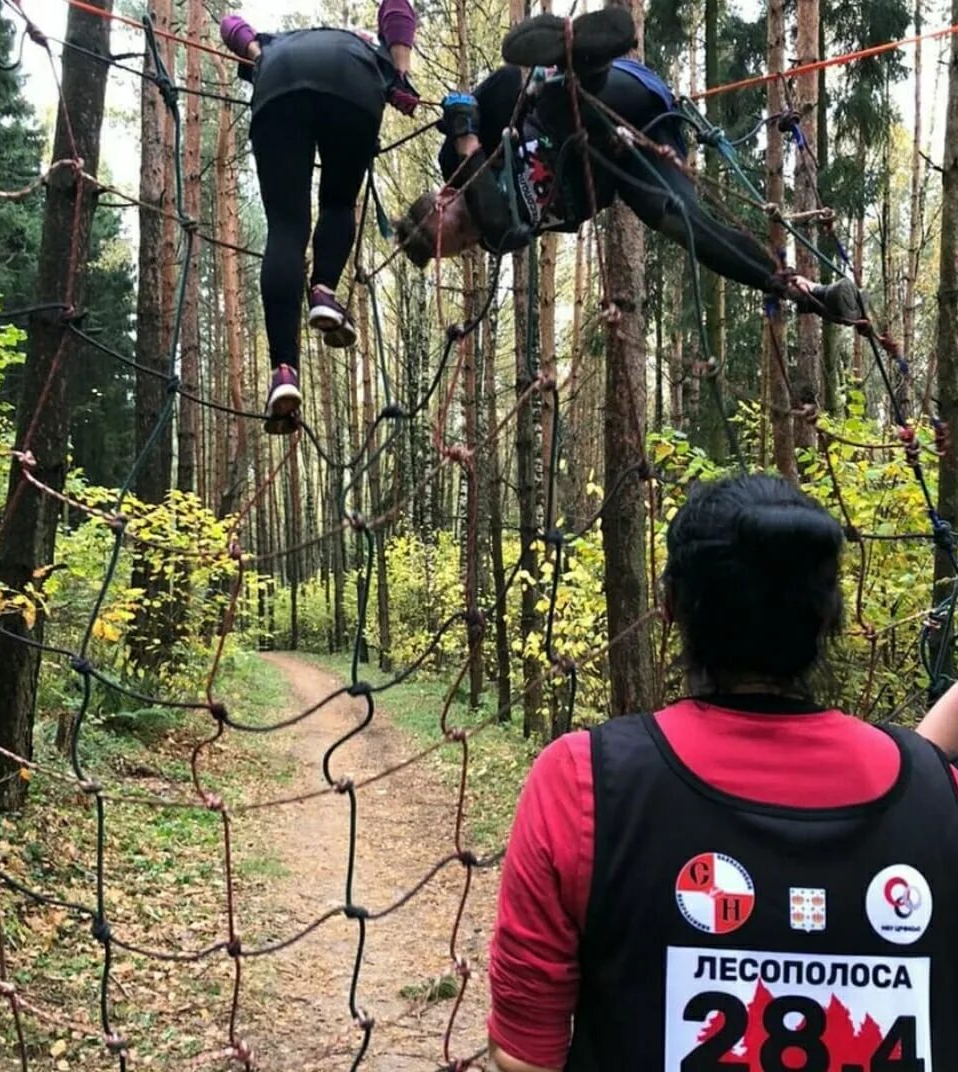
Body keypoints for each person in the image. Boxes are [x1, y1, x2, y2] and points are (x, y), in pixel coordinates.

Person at [487, 473, 958, 1072]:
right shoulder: (935, 796)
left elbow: (526, 1057)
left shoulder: (584, 783)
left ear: (671, 608)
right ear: (830, 617)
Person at [397, 10, 860, 323]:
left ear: (445, 197)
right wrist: (467, 139)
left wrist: (473, 120)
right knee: (686, 224)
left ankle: (583, 58)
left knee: (560, 106)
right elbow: (497, 223)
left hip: (617, 96)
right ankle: (807, 293)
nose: (469, 242)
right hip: (630, 159)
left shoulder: (452, 164)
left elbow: (504, 85)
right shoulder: (496, 229)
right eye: (460, 249)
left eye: (456, 234)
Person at [220, 1, 419, 434]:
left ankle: (284, 374)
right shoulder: (368, 47)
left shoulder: (275, 44)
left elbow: (230, 23)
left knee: (286, 229)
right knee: (337, 203)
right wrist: (400, 76)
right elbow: (397, 7)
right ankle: (325, 291)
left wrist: (256, 54)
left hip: (278, 82)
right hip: (353, 83)